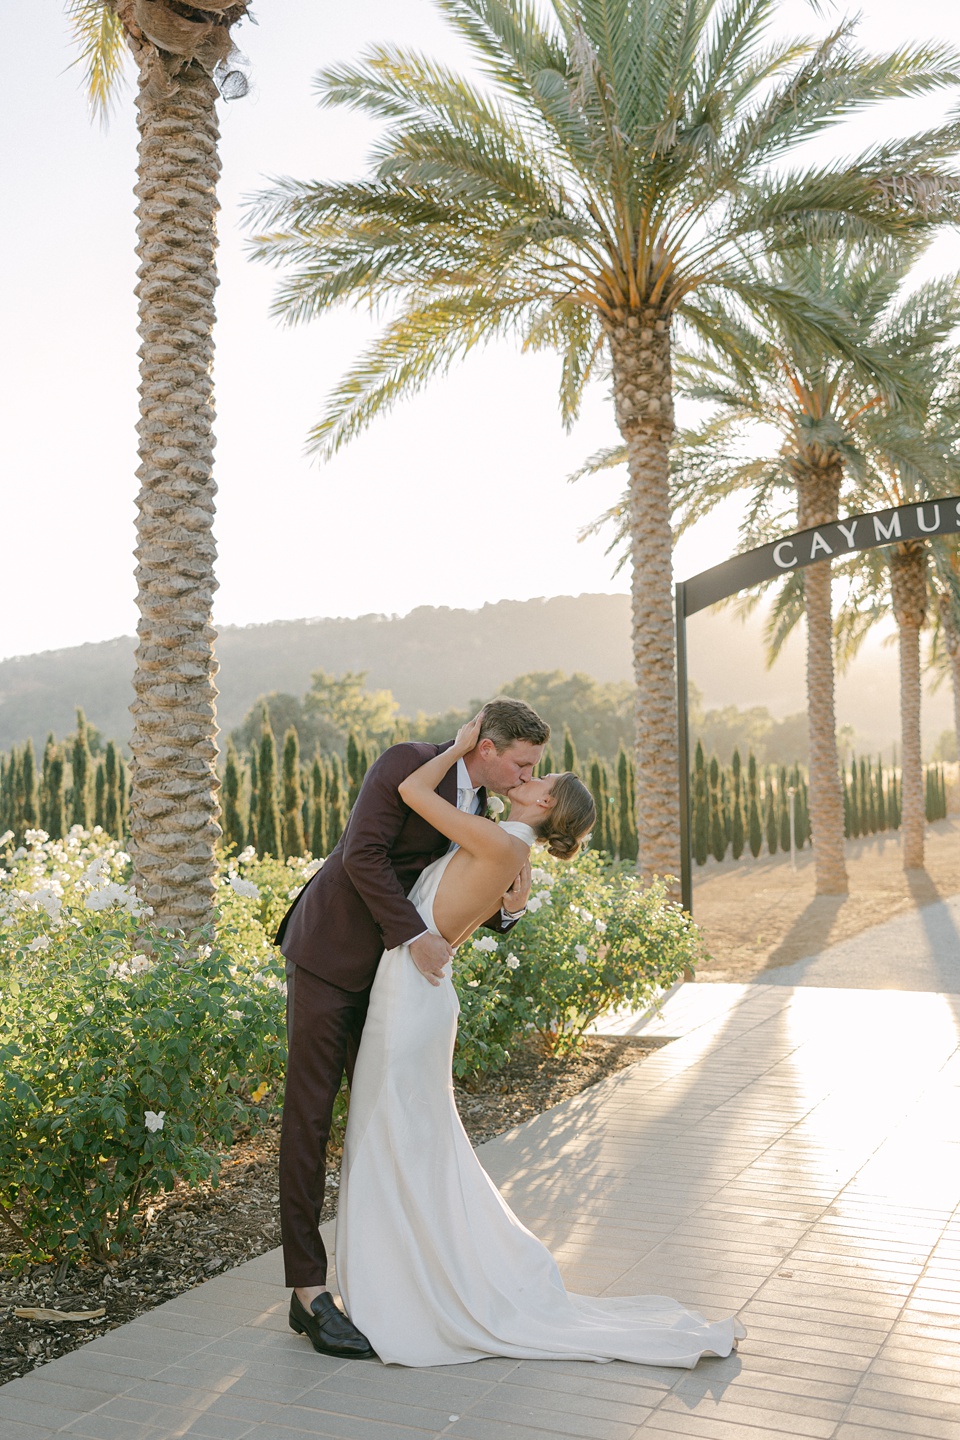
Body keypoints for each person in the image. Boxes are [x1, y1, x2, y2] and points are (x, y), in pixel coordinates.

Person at [334, 713, 746, 1368]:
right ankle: (410, 1276)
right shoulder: (506, 848)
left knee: (393, 1134)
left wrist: (460, 746)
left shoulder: (501, 843)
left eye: (538, 778)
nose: (527, 778)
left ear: (545, 805)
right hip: (416, 993)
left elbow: (411, 792)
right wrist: (511, 907)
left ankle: (406, 1290)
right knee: (407, 1138)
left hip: (411, 998)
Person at [276, 697, 550, 1359]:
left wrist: (510, 910)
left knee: (386, 1120)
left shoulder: (484, 811)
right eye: (521, 765)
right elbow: (362, 855)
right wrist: (415, 937)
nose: (526, 777)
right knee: (310, 1117)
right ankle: (308, 1292)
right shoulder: (408, 763)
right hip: (330, 954)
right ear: (486, 747)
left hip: (393, 980)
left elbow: (456, 890)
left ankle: (390, 1277)